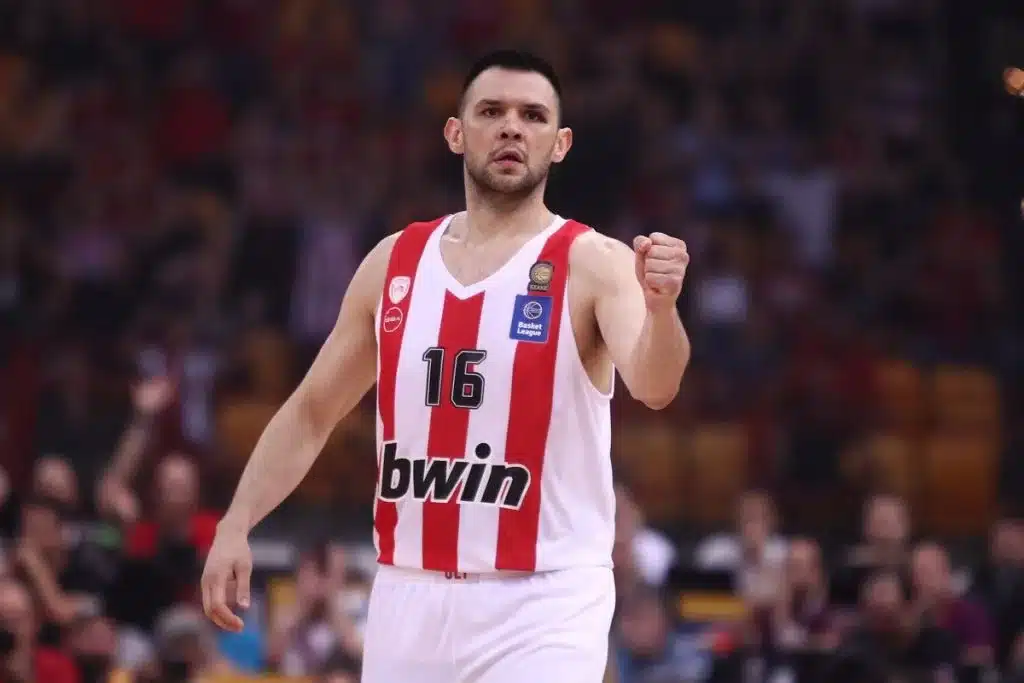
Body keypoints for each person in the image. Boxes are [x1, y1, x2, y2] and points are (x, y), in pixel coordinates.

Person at [200, 49, 692, 682]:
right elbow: (312, 411)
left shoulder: (594, 262)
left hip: (544, 598)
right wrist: (237, 521)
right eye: (492, 112)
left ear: (560, 143)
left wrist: (662, 310)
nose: (512, 127)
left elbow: (655, 384)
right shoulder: (393, 263)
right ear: (456, 133)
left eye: (533, 116)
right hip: (409, 592)